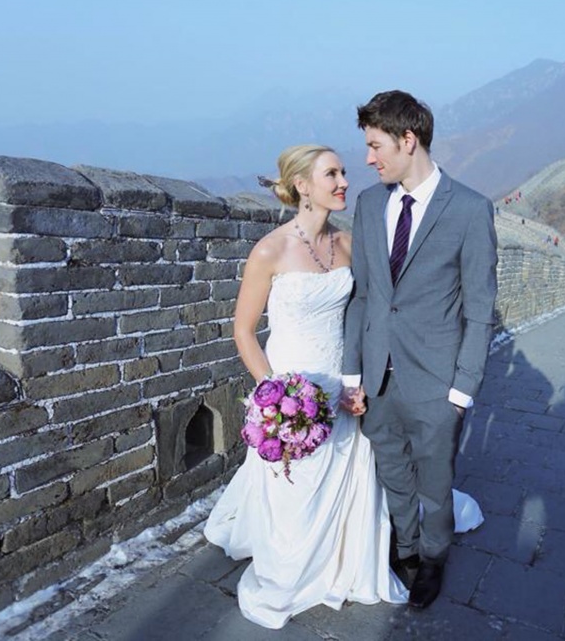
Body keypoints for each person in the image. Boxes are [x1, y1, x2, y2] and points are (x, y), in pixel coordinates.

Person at [203, 144, 481, 629]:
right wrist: (275, 399)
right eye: (331, 174)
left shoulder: (349, 245)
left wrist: (362, 377)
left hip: (343, 384)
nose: (344, 182)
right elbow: (244, 332)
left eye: (344, 173)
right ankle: (295, 565)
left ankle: (349, 557)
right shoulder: (269, 250)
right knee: (295, 489)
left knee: (351, 470)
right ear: (302, 186)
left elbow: (368, 311)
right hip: (291, 388)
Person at [341, 90, 498, 609]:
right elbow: (364, 296)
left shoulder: (471, 210)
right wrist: (352, 376)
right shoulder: (367, 205)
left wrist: (462, 391)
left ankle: (432, 559)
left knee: (435, 482)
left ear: (409, 140)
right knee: (393, 473)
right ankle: (405, 549)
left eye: (375, 145)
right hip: (378, 377)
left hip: (436, 382)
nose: (368, 159)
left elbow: (480, 309)